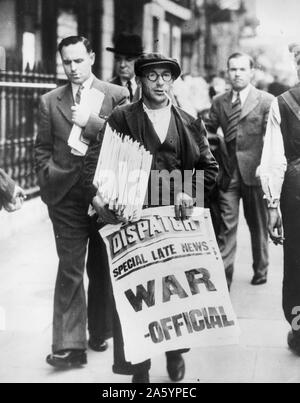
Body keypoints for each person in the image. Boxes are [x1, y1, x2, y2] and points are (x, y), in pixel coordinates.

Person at [83, 53, 218, 383]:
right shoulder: (121, 119)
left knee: (173, 292)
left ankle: (174, 354)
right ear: (140, 81)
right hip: (131, 221)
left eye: (166, 76)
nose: (160, 83)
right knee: (133, 296)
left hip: (173, 224)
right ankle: (139, 366)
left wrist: (190, 192)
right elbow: (91, 165)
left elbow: (211, 169)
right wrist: (98, 199)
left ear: (173, 81)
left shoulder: (187, 122)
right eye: (152, 76)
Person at [34, 36, 129, 368]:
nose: (72, 68)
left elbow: (124, 141)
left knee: (101, 267)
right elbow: (42, 149)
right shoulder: (49, 101)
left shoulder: (116, 95)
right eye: (66, 62)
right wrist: (48, 180)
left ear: (91, 57)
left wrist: (89, 122)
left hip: (103, 195)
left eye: (78, 60)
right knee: (70, 268)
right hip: (65, 196)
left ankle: (100, 329)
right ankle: (68, 346)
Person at [205, 52, 274, 289]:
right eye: (233, 69)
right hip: (228, 173)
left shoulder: (265, 101)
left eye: (242, 69)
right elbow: (207, 133)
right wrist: (218, 143)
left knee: (258, 224)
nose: (237, 74)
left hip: (254, 173)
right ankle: (224, 278)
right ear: (227, 71)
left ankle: (261, 268)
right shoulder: (219, 101)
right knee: (226, 226)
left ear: (251, 72)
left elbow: (271, 139)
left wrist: (265, 169)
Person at [259, 43, 300, 356]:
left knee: (297, 262)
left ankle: (299, 330)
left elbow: (275, 158)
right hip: (294, 191)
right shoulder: (282, 104)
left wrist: (273, 204)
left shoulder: (283, 103)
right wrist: (272, 204)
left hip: (295, 190)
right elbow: (274, 157)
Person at [107, 32, 144, 102]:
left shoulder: (146, 87)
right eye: (118, 59)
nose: (122, 65)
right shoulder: (107, 88)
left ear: (139, 61)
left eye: (128, 59)